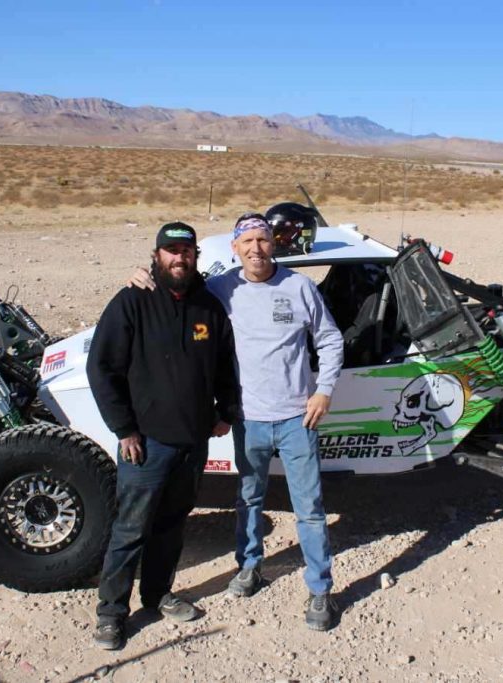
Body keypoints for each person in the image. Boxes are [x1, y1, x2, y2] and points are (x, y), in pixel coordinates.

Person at [130, 213, 344, 631]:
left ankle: (320, 590)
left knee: (310, 508)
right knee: (249, 498)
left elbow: (330, 339)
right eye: (247, 241)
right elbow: (178, 293)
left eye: (262, 240)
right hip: (248, 418)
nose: (256, 248)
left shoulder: (299, 288)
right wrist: (144, 275)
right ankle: (249, 567)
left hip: (298, 418)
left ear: (273, 244)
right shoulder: (220, 289)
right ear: (235, 248)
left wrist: (325, 390)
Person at [88, 221, 240, 650]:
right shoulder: (132, 302)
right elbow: (102, 369)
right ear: (157, 256)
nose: (180, 258)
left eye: (187, 250)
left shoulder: (209, 307)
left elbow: (227, 366)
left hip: (192, 443)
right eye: (171, 251)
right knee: (131, 528)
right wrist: (125, 429)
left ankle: (156, 595)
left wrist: (225, 411)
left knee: (172, 526)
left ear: (195, 255)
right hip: (146, 444)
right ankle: (111, 613)